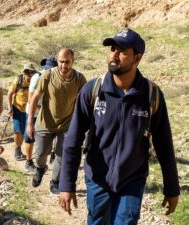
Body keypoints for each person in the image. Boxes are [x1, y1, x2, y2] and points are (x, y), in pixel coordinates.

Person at [59, 28, 180, 224]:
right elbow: (73, 140)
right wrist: (66, 184)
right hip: (97, 178)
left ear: (137, 58)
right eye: (112, 49)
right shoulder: (92, 91)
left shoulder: (151, 95)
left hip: (132, 179)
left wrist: (172, 188)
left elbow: (164, 144)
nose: (114, 55)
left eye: (122, 51)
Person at [27, 48, 87, 194]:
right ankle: (41, 169)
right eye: (61, 62)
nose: (63, 65)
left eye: (67, 62)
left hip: (67, 125)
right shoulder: (48, 75)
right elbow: (35, 96)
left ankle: (55, 182)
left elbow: (86, 101)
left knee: (62, 155)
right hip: (45, 123)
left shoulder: (79, 79)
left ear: (72, 62)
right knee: (40, 154)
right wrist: (30, 122)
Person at [24, 57, 58, 173]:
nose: (50, 70)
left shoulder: (57, 77)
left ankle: (52, 155)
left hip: (47, 113)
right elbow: (30, 99)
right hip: (34, 112)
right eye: (48, 68)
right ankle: (28, 161)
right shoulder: (37, 77)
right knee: (30, 137)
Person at [7, 63, 36, 160]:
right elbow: (9, 94)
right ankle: (17, 149)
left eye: (31, 72)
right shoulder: (18, 80)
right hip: (17, 108)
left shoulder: (35, 81)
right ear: (24, 72)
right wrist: (10, 107)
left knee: (24, 131)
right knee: (18, 130)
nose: (29, 74)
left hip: (29, 110)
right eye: (27, 72)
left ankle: (19, 148)